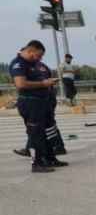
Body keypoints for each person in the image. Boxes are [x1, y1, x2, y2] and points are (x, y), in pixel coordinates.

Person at [9, 40, 68, 172]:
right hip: (30, 103)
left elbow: (42, 78)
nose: (40, 58)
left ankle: (50, 158)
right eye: (38, 55)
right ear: (31, 51)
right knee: (35, 134)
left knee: (47, 131)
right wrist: (43, 84)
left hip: (43, 102)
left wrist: (49, 84)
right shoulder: (19, 64)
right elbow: (21, 84)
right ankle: (36, 163)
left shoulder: (34, 64)